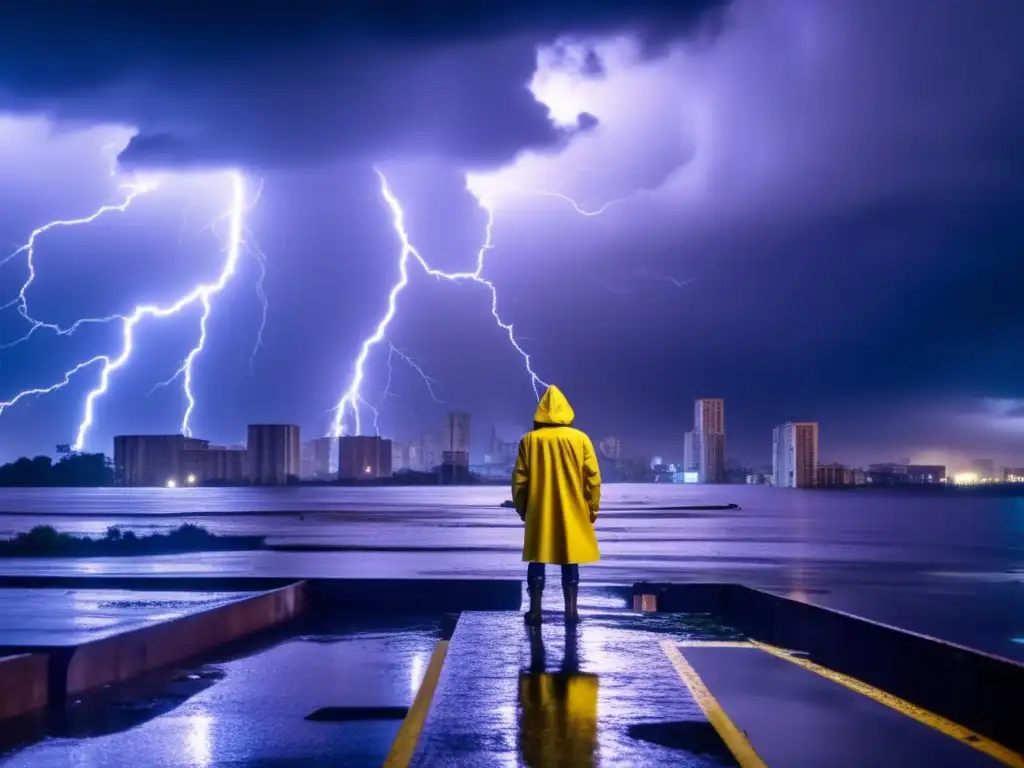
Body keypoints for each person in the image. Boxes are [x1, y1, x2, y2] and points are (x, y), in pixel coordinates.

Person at [512, 384, 602, 625]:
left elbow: (520, 479)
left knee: (536, 559)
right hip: (572, 510)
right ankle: (571, 612)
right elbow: (592, 477)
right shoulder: (581, 439)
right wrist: (592, 509)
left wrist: (523, 509)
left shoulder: (529, 440)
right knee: (570, 559)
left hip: (539, 510)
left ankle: (535, 612)